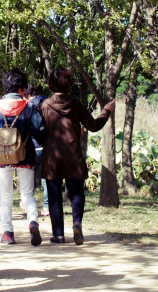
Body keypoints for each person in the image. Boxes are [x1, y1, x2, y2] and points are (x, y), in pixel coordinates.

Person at [39, 67, 115, 245]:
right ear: (69, 85)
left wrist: (47, 143)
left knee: (54, 197)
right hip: (73, 154)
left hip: (52, 157)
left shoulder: (44, 106)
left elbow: (38, 130)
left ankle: (58, 235)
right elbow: (94, 126)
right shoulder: (75, 104)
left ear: (51, 84)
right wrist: (106, 111)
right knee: (76, 193)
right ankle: (77, 224)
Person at [0, 68, 44, 246]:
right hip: (25, 155)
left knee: (6, 196)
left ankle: (8, 233)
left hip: (3, 157)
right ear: (21, 88)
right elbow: (39, 130)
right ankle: (33, 222)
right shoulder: (29, 107)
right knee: (27, 193)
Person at [26, 84, 49, 217]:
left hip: (34, 146)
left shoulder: (29, 106)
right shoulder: (48, 103)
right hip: (48, 146)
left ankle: (28, 204)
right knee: (46, 178)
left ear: (28, 95)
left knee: (29, 176)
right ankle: (46, 206)